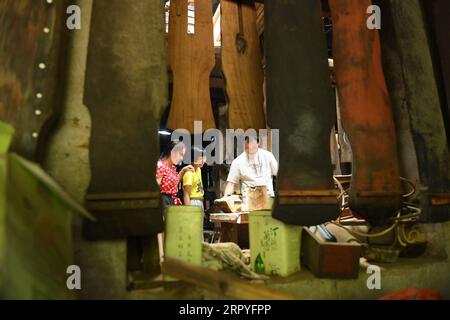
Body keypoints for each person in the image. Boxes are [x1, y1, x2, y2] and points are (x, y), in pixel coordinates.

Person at [223, 135, 278, 210]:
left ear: (258, 144)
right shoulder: (238, 162)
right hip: (249, 203)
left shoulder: (268, 156)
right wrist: (225, 200)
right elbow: (231, 184)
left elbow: (279, 175)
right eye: (247, 148)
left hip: (268, 199)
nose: (250, 150)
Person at [156, 140, 194, 206]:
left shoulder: (172, 168)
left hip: (171, 201)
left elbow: (174, 183)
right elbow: (155, 189)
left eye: (183, 155)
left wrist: (183, 170)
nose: (182, 158)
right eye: (180, 154)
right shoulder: (160, 165)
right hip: (163, 201)